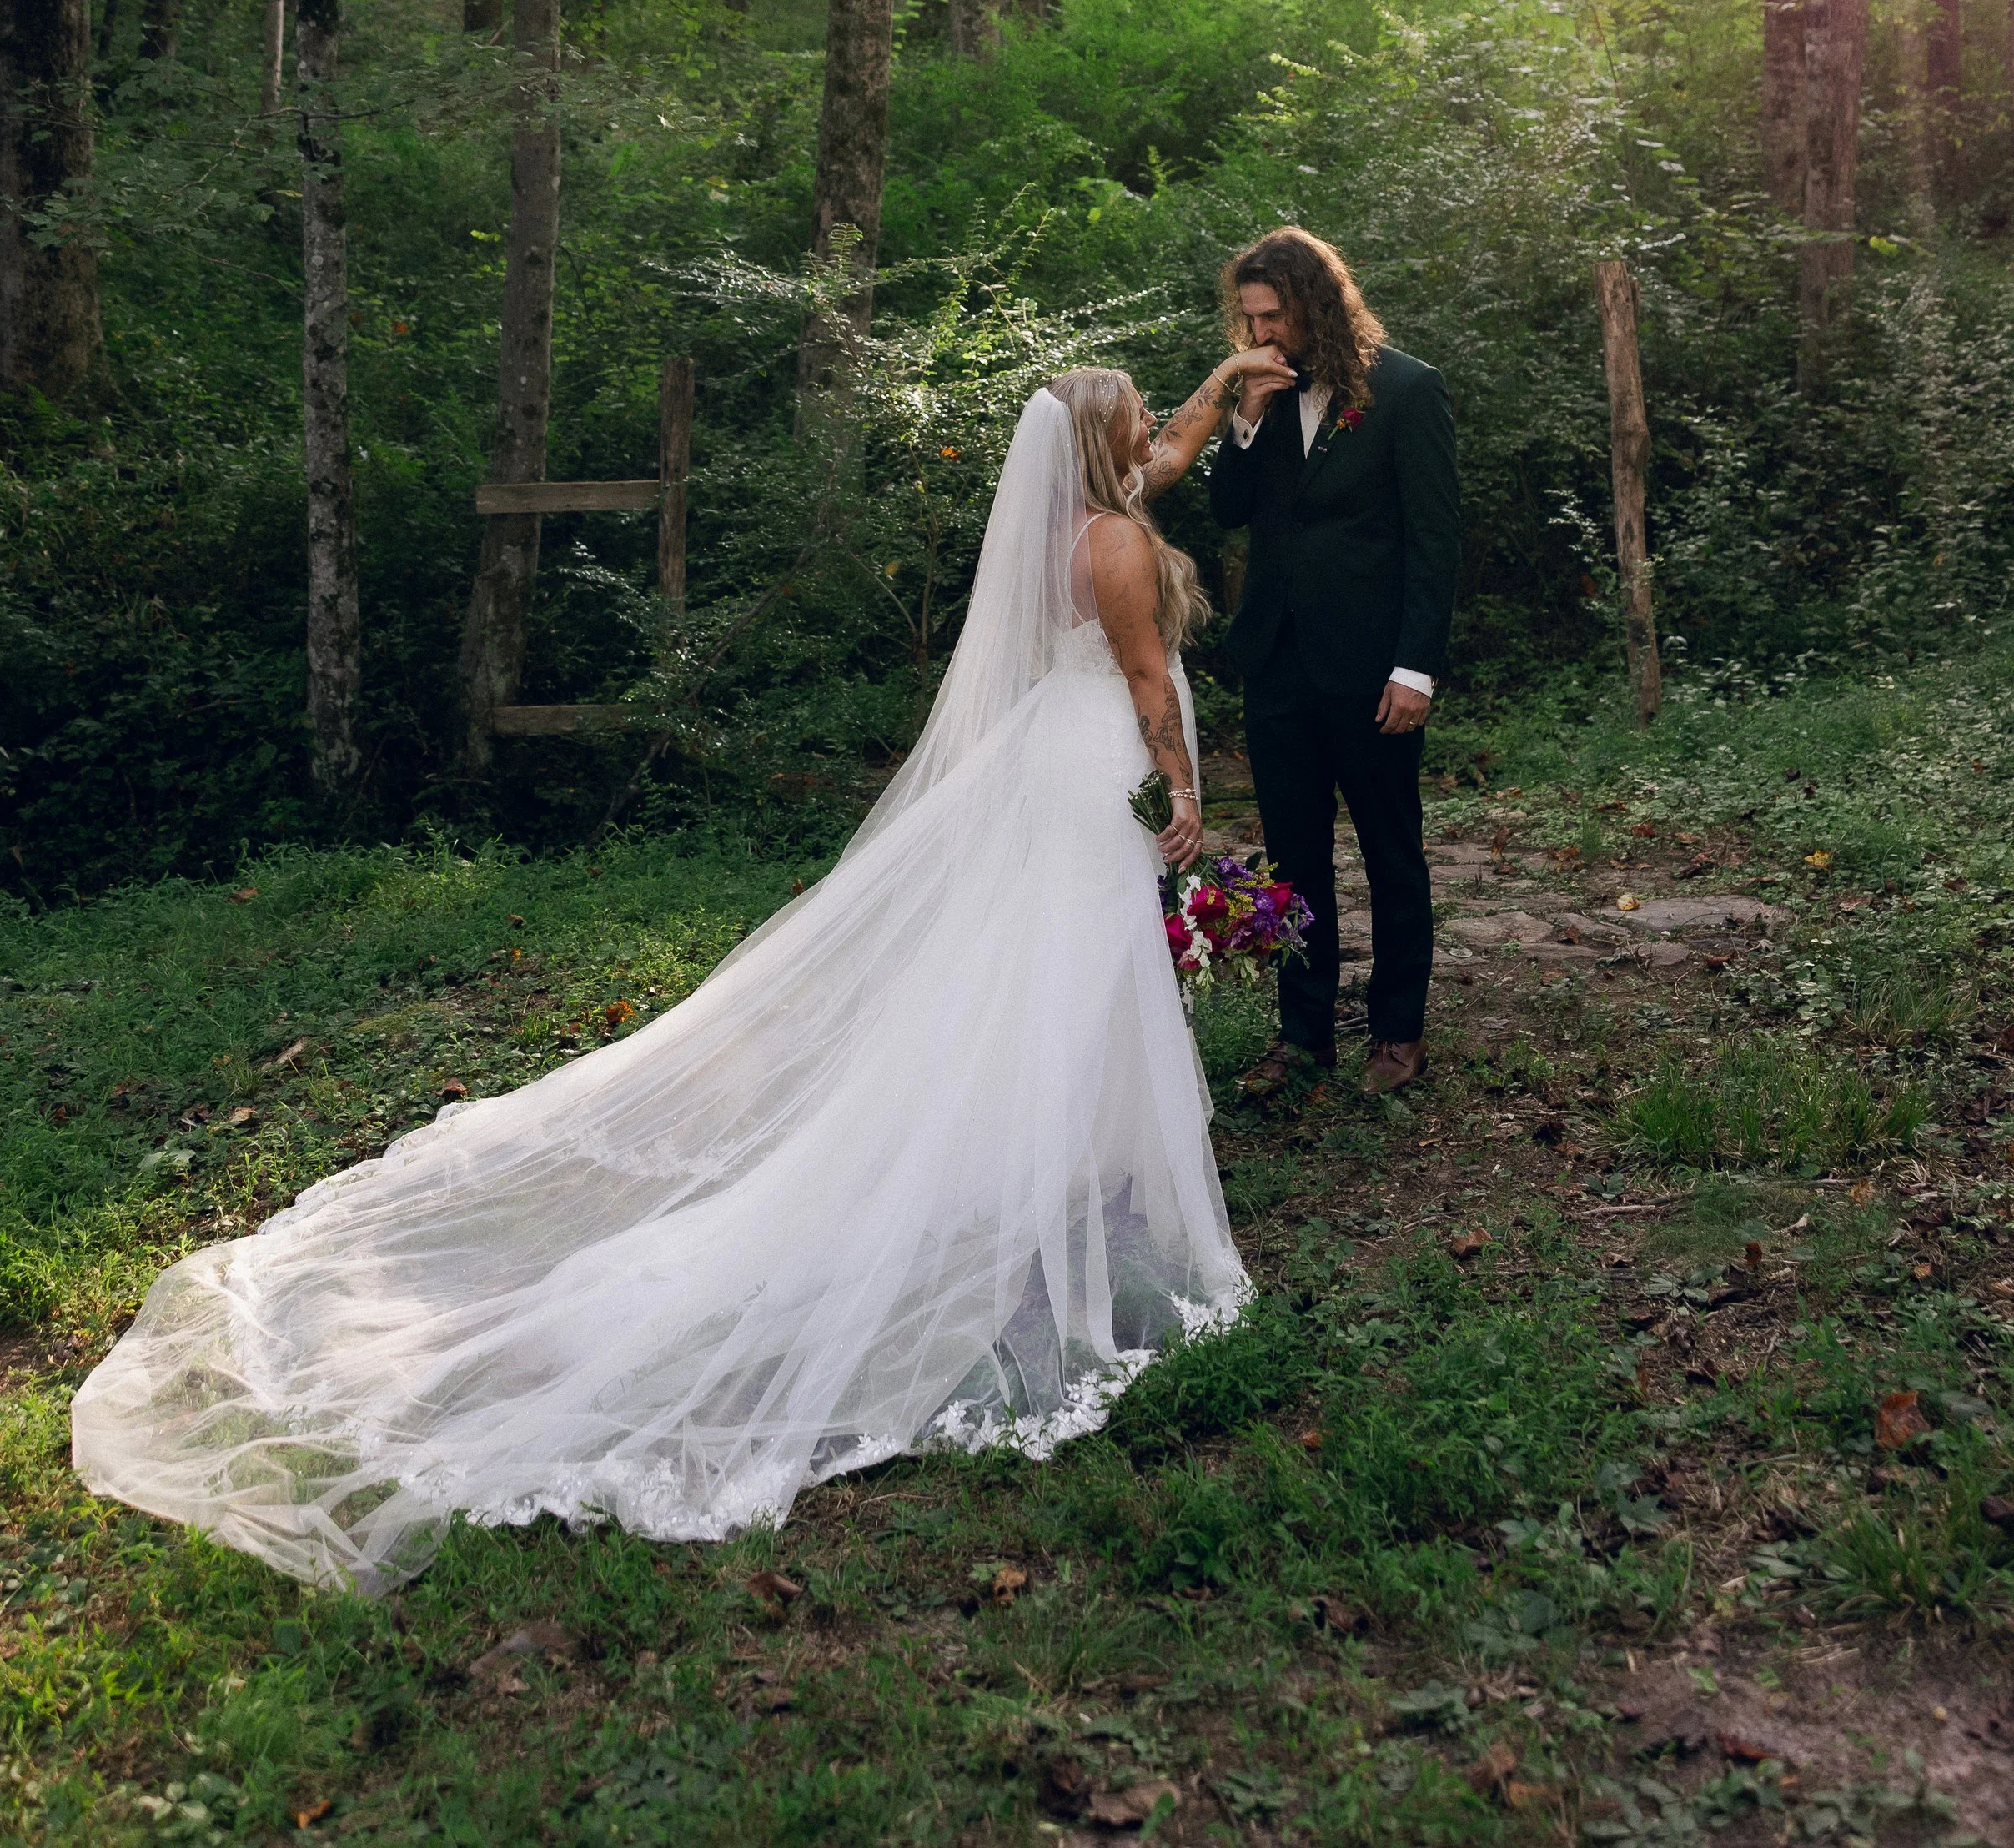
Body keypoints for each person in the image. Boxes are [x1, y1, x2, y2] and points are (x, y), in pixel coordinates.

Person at [70, 372, 1250, 1594]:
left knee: (1043, 966)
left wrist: (1221, 388)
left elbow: (1161, 465)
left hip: (1051, 758)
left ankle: (1060, 1163)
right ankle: (1041, 1182)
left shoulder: (1066, 526)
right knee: (1075, 964)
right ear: (1101, 436)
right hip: (1096, 761)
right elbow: (1147, 677)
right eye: (1137, 410)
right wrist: (1183, 790)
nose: (1149, 423)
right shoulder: (1115, 541)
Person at [1205, 227, 1459, 1097]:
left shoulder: (1409, 390)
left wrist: (1415, 667)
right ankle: (1303, 1036)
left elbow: (1434, 541)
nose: (1260, 333)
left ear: (1316, 302)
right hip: (1277, 665)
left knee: (1392, 853)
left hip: (1372, 670)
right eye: (1250, 318)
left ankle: (1398, 1031)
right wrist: (1244, 417)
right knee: (1292, 860)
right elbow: (1228, 509)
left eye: (1273, 315)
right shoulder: (1264, 391)